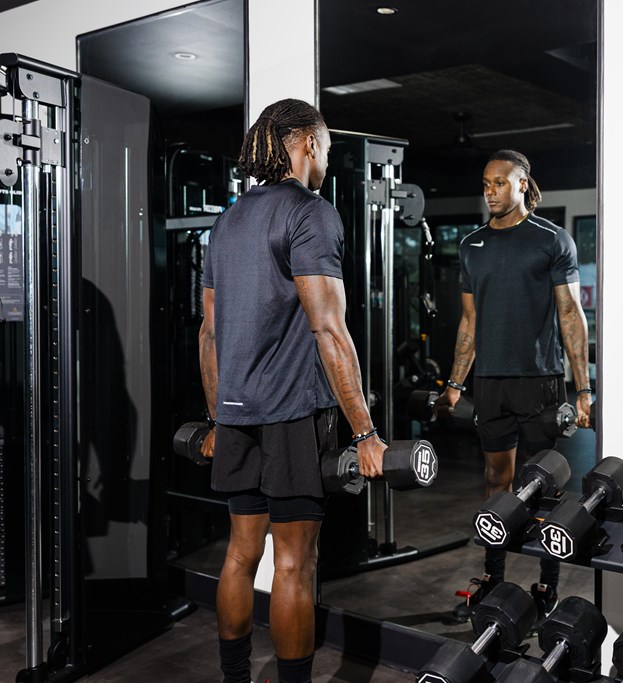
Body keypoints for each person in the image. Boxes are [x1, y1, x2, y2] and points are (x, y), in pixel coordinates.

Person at [198, 98, 387, 683]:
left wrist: (217, 417)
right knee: (293, 566)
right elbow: (329, 328)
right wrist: (366, 432)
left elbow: (208, 332)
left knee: (238, 553)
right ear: (307, 143)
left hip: (236, 415)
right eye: (326, 147)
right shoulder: (311, 213)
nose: (326, 159)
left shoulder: (227, 220)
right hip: (291, 415)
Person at [434, 149, 592, 624]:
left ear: (523, 184)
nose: (490, 191)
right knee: (496, 483)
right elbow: (469, 322)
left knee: (543, 489)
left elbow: (570, 316)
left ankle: (547, 584)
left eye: (499, 183)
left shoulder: (552, 240)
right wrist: (454, 383)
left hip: (541, 382)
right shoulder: (472, 245)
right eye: (485, 183)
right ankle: (495, 577)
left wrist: (582, 390)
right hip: (491, 384)